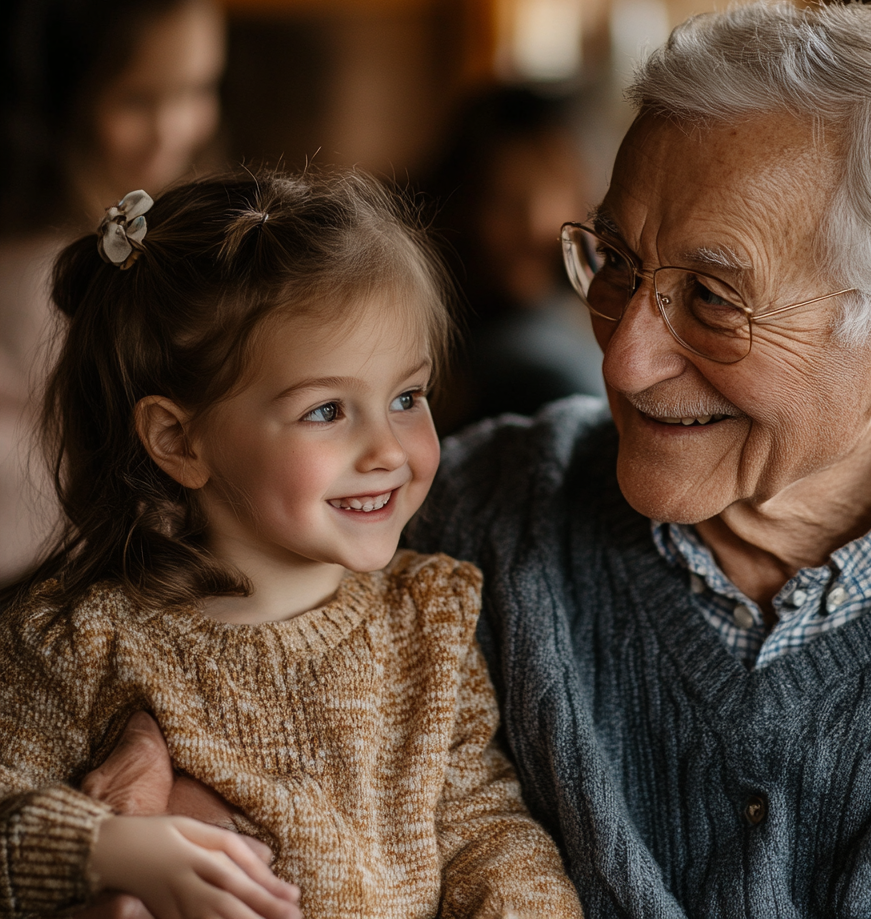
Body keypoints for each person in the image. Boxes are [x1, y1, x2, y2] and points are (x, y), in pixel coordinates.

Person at [405, 0, 871, 916]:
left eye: (712, 298)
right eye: (614, 260)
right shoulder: (474, 515)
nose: (622, 360)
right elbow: (188, 616)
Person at [0, 169, 582, 919]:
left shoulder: (426, 620)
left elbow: (481, 826)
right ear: (179, 441)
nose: (387, 449)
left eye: (408, 397)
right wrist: (106, 847)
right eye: (327, 410)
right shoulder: (80, 642)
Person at [0, 0, 226, 582]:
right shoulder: (42, 277)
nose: (174, 130)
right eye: (137, 101)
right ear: (59, 101)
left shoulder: (148, 233)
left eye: (197, 89)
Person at [425, 87, 603, 434]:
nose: (534, 226)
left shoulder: (586, 317)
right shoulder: (530, 371)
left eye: (552, 194)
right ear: (461, 208)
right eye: (505, 201)